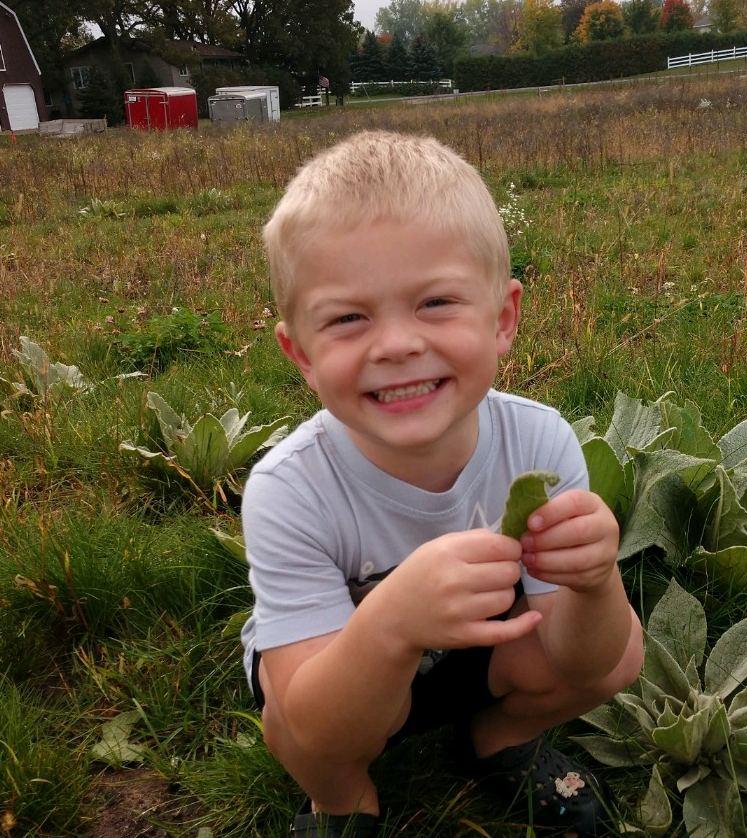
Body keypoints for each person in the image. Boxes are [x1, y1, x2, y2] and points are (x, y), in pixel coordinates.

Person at [240, 130, 644, 837]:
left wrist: (593, 583)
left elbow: (584, 658)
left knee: (623, 653)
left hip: (482, 651)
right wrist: (392, 622)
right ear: (300, 354)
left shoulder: (539, 443)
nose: (397, 344)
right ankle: (343, 800)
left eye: (434, 303)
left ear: (503, 319)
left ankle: (497, 738)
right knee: (294, 729)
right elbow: (314, 721)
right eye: (348, 318)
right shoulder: (289, 489)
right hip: (343, 676)